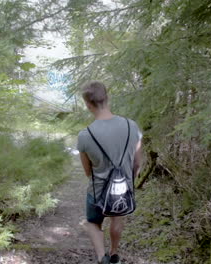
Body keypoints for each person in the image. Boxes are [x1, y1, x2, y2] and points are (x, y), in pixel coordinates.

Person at [77, 81, 142, 264]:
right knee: (117, 219)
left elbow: (87, 171)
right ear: (107, 98)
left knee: (92, 222)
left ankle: (101, 257)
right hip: (122, 189)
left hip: (97, 190)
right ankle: (114, 254)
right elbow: (137, 163)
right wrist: (128, 181)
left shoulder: (85, 135)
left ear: (88, 104)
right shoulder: (132, 126)